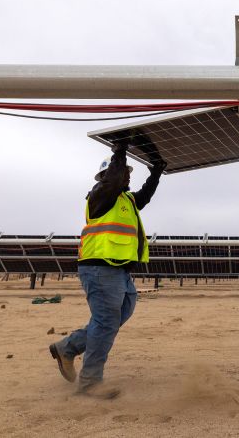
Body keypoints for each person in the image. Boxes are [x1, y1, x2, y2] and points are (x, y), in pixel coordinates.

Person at [49, 134, 166, 394]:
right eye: (124, 171)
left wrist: (156, 171)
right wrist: (120, 149)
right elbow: (114, 179)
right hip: (100, 268)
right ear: (107, 175)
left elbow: (145, 194)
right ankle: (90, 383)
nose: (127, 176)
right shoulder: (100, 196)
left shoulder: (127, 200)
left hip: (119, 270)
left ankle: (66, 348)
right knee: (105, 322)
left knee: (115, 317)